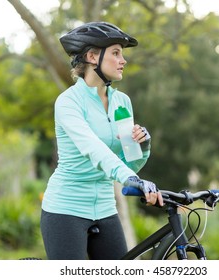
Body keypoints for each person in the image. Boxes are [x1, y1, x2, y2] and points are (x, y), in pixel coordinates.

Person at [40, 22, 163, 260]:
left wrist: (143, 146)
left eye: (122, 54)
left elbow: (131, 164)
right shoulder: (68, 102)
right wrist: (129, 177)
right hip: (66, 209)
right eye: (116, 53)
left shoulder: (122, 102)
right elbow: (92, 148)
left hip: (106, 208)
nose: (123, 60)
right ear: (92, 57)